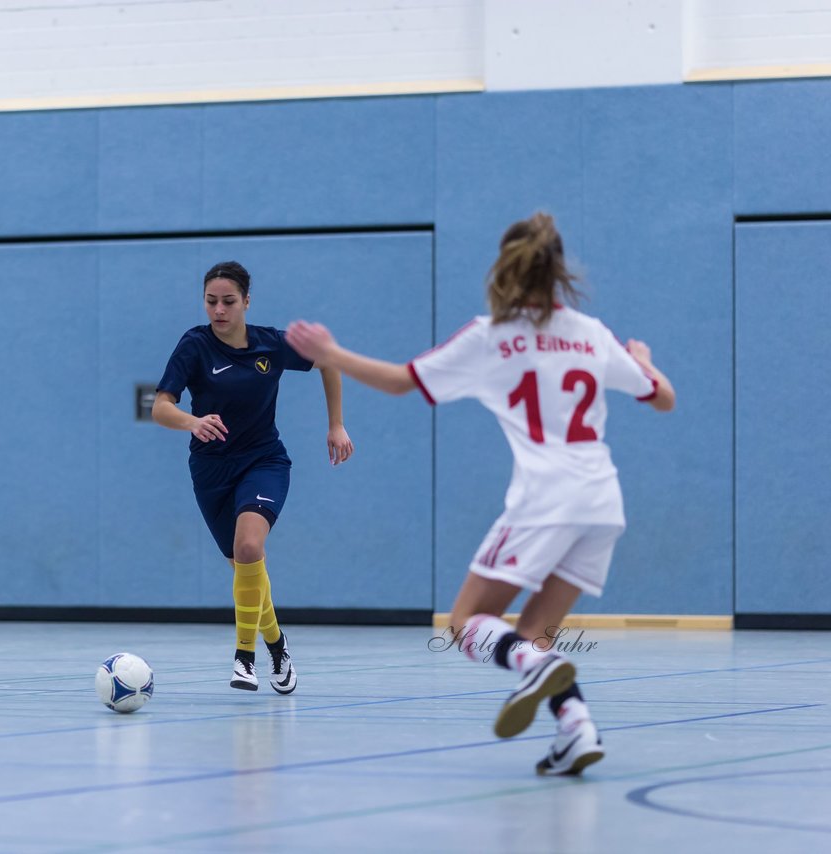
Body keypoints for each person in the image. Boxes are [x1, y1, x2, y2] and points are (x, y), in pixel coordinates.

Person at [286, 212, 675, 775]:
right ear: (560, 268)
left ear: (505, 267)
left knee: (467, 621)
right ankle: (576, 728)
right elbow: (663, 397)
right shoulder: (593, 334)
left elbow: (400, 381)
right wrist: (643, 363)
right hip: (603, 504)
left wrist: (332, 352)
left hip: (547, 498)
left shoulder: (492, 337)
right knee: (537, 634)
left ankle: (534, 669)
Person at [154, 261, 354, 693]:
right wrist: (191, 421)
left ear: (247, 301)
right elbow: (161, 405)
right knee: (246, 569)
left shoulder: (270, 344)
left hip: (264, 461)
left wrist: (335, 424)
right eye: (211, 302)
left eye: (228, 301)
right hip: (211, 470)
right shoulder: (194, 345)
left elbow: (329, 360)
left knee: (249, 545)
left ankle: (244, 658)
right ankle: (278, 647)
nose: (219, 310)